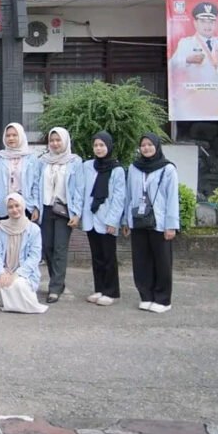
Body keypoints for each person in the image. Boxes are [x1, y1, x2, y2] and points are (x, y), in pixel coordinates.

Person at [124, 133, 179, 314]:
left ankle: (163, 299)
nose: (146, 148)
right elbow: (129, 195)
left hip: (160, 222)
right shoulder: (134, 168)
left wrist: (171, 225)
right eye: (143, 145)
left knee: (162, 261)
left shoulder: (167, 169)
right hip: (139, 220)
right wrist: (126, 220)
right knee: (141, 260)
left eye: (150, 144)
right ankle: (146, 296)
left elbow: (172, 199)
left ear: (157, 146)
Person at [32, 126, 84, 303]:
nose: (54, 143)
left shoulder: (74, 161)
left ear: (65, 141)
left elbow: (79, 189)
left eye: (58, 140)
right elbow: (36, 185)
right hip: (46, 208)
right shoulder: (43, 161)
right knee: (47, 247)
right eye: (52, 140)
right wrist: (35, 208)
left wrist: (76, 212)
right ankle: (58, 281)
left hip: (64, 210)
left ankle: (55, 287)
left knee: (60, 248)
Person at [81, 131, 126, 306]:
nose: (99, 149)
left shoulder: (117, 169)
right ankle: (99, 288)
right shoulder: (87, 166)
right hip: (91, 217)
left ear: (109, 146)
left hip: (107, 218)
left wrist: (113, 220)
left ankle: (111, 291)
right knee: (97, 256)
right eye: (96, 145)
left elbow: (118, 197)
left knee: (108, 256)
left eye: (102, 145)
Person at [0, 193, 48, 314]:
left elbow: (34, 257)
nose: (14, 210)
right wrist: (1, 272)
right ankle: (10, 303)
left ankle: (15, 304)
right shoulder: (1, 227)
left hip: (24, 273)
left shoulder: (33, 229)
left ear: (23, 206)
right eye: (10, 207)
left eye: (17, 205)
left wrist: (17, 274)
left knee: (18, 285)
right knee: (1, 283)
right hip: (5, 270)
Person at [0, 122, 39, 221]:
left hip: (26, 206)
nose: (11, 138)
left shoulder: (31, 157)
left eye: (15, 135)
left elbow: (36, 184)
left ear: (21, 136)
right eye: (8, 135)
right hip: (4, 206)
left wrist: (36, 207)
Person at [172, 1, 218, 85]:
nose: (207, 26)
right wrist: (187, 60)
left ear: (215, 24)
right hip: (196, 93)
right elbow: (171, 65)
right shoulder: (186, 43)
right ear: (195, 23)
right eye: (203, 21)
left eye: (211, 22)